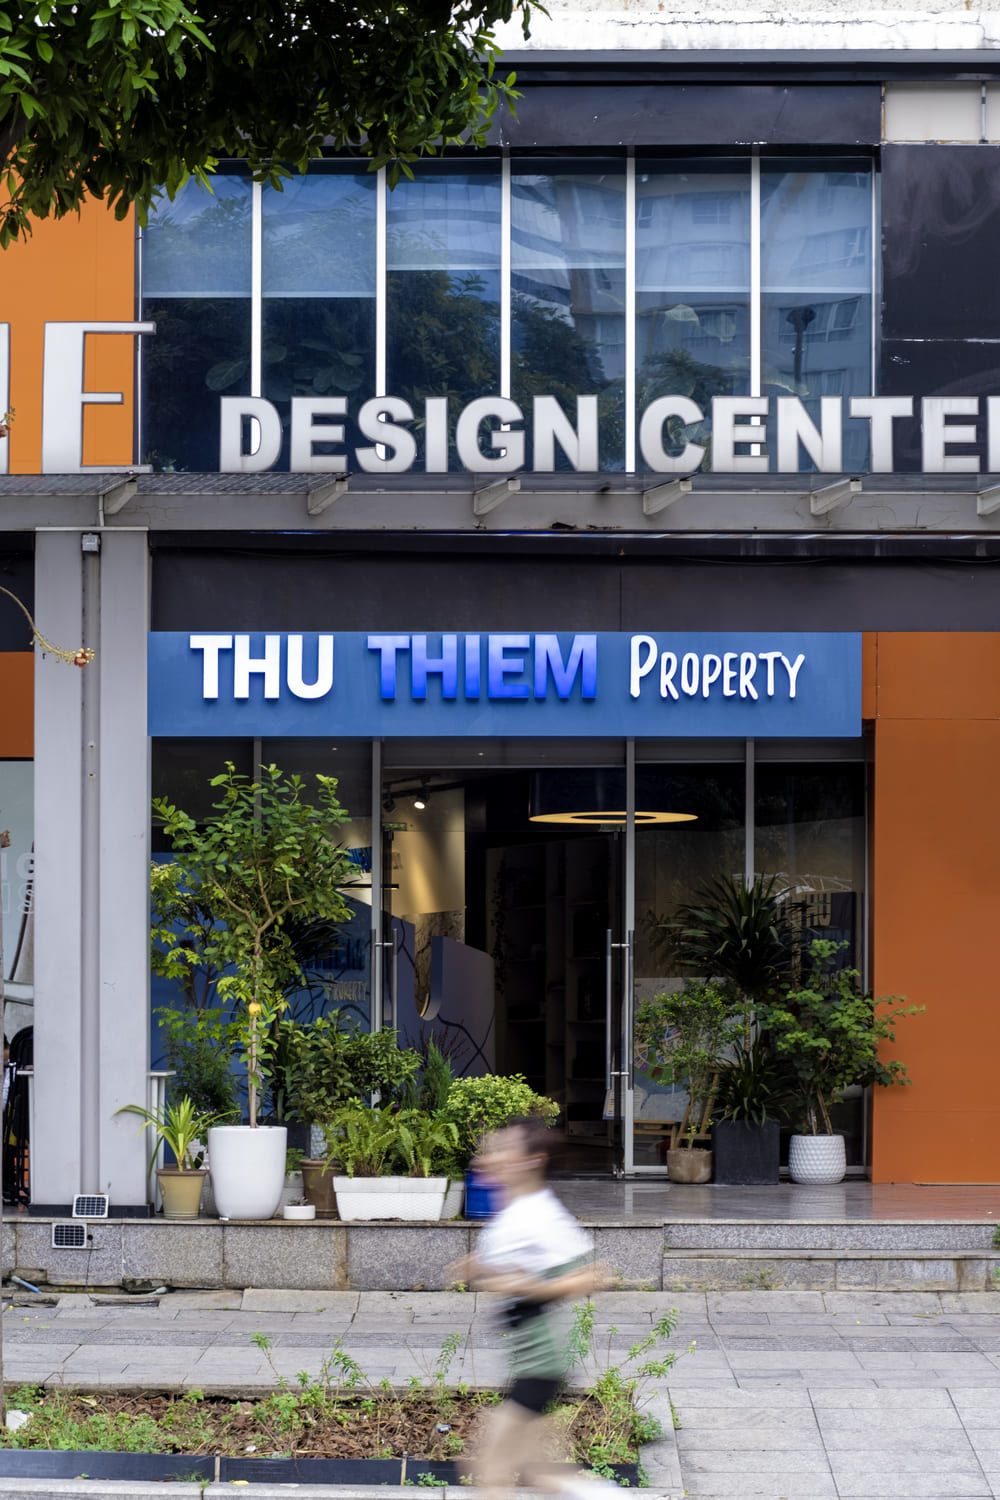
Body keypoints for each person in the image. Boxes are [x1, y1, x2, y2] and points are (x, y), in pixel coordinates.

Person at [452, 1119, 619, 1500]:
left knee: (492, 1468)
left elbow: (594, 1275)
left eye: (503, 1149)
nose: (491, 1157)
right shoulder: (516, 1210)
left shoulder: (542, 1215)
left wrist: (517, 1284)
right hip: (529, 1358)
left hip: (542, 1361)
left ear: (533, 1160)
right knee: (539, 1471)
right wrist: (485, 1271)